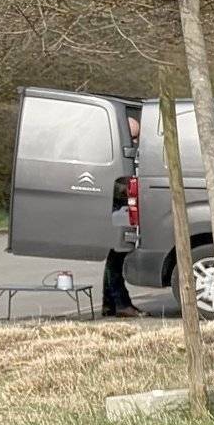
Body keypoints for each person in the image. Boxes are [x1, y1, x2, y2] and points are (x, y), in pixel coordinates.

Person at [101, 105, 140, 317]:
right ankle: (120, 302)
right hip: (117, 210)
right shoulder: (118, 157)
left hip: (120, 208)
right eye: (134, 137)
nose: (136, 142)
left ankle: (110, 303)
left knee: (113, 258)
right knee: (117, 256)